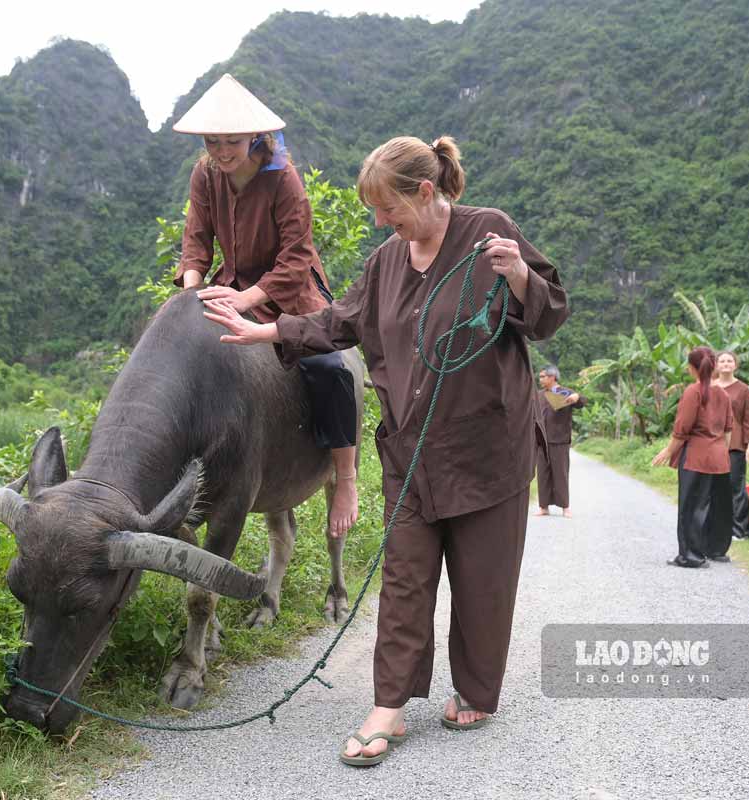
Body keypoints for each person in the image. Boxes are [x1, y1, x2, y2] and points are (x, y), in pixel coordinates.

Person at [201, 135, 569, 765]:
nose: (381, 223)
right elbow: (339, 321)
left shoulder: (489, 234)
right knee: (403, 578)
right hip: (410, 452)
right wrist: (265, 328)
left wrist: (518, 275)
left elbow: (550, 310)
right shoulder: (387, 261)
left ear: (426, 192)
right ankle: (389, 706)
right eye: (375, 212)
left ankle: (477, 691)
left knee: (483, 579)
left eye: (388, 209)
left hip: (486, 449)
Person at [171, 74, 359, 537]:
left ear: (254, 136)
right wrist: (192, 289)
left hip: (289, 295)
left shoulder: (284, 179)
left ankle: (345, 478)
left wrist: (249, 298)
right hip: (225, 288)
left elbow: (296, 256)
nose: (221, 151)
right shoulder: (205, 175)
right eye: (212, 141)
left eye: (231, 141)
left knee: (329, 367)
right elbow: (196, 241)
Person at [651, 346, 734, 567]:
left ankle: (691, 556)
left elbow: (682, 430)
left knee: (690, 506)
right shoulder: (723, 394)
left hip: (696, 457)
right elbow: (728, 431)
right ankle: (708, 551)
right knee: (708, 506)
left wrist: (667, 451)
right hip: (718, 458)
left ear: (691, 368)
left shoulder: (693, 392)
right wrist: (721, 453)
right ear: (713, 366)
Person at [712, 351, 749, 539]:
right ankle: (720, 528)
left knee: (735, 487)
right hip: (713, 443)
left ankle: (741, 531)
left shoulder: (742, 390)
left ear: (735, 365)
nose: (726, 364)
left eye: (729, 361)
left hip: (735, 443)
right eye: (722, 361)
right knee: (716, 488)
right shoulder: (711, 387)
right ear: (716, 365)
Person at [534, 365, 584, 518]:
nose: (540, 379)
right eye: (540, 376)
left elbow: (581, 402)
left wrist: (577, 397)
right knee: (542, 474)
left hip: (560, 440)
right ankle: (544, 507)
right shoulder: (539, 394)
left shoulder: (564, 392)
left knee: (560, 473)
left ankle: (565, 507)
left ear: (552, 377)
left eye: (543, 376)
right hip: (541, 441)